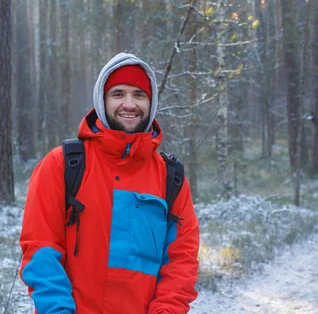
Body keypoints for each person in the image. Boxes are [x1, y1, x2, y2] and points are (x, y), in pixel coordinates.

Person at [19, 53, 200, 313]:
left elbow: (181, 261)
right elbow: (40, 249)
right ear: (102, 100)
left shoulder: (171, 178)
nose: (129, 104)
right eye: (118, 94)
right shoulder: (61, 165)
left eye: (139, 94)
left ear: (151, 102)